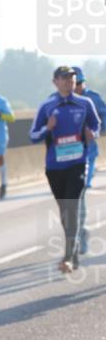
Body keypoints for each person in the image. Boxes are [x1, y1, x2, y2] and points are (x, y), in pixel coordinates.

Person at [30, 66, 101, 273]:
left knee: (72, 207)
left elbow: (96, 125)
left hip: (78, 163)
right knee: (64, 212)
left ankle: (68, 257)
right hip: (55, 166)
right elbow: (33, 136)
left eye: (72, 79)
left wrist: (92, 133)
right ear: (55, 82)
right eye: (65, 79)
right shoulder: (47, 106)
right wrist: (48, 128)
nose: (70, 82)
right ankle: (74, 252)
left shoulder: (85, 103)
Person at [74, 66, 106, 253]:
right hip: (66, 156)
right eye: (72, 83)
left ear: (83, 82)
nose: (75, 87)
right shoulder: (60, 101)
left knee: (80, 193)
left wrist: (94, 131)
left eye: (78, 83)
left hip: (88, 154)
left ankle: (80, 234)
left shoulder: (92, 98)